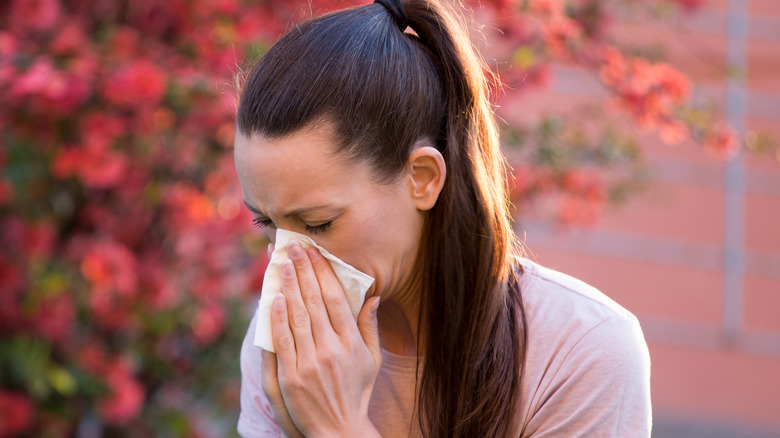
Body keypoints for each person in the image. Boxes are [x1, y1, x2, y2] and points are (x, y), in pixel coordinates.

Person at [233, 0, 652, 436]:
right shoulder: (293, 344)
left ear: (423, 178)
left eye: (318, 223)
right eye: (268, 224)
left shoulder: (580, 351)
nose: (287, 258)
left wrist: (337, 428)